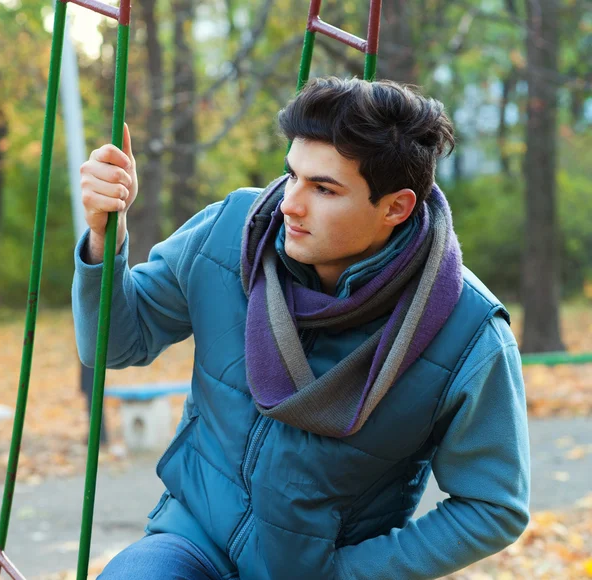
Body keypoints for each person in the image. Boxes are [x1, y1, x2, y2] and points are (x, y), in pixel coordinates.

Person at [73, 77, 530, 580]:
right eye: (293, 175)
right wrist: (102, 237)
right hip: (191, 541)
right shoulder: (232, 229)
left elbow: (493, 505)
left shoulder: (467, 332)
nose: (290, 203)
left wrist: (350, 573)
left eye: (323, 188)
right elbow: (114, 345)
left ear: (395, 207)